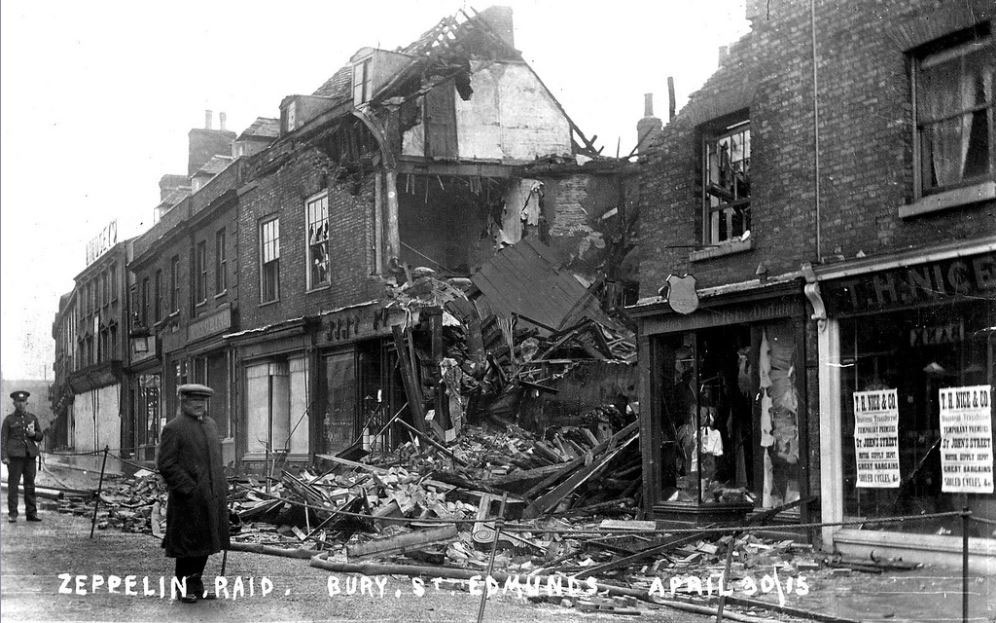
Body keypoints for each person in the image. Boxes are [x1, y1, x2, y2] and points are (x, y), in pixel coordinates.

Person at [156, 384, 229, 604]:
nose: (199, 405)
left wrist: (221, 487)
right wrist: (189, 488)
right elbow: (166, 464)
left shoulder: (211, 425)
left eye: (202, 401)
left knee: (205, 544)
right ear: (184, 402)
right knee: (187, 546)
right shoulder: (174, 428)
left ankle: (196, 586)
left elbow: (216, 460)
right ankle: (182, 588)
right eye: (194, 401)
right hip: (187, 500)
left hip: (211, 496)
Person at [1, 390, 45, 523]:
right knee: (13, 486)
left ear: (27, 403)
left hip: (29, 456)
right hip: (14, 458)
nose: (21, 404)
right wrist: (4, 456)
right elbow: (3, 439)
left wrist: (33, 435)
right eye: (18, 402)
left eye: (23, 401)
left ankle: (31, 513)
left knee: (30, 485)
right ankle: (13, 513)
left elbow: (40, 436)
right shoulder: (9, 420)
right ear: (14, 403)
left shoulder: (32, 418)